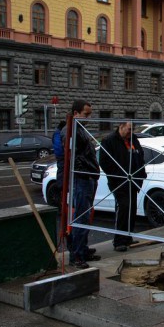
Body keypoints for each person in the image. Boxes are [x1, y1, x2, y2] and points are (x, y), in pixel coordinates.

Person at [61, 100, 101, 269]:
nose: (88, 117)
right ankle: (76, 255)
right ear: (75, 113)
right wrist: (86, 172)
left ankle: (82, 249)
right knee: (80, 217)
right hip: (82, 178)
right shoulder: (70, 131)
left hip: (88, 177)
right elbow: (72, 157)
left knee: (85, 216)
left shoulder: (80, 129)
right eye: (86, 114)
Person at [99, 121, 147, 252]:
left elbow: (140, 156)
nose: (131, 132)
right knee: (123, 208)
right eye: (129, 129)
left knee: (131, 208)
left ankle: (128, 236)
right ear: (121, 127)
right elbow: (104, 162)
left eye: (132, 130)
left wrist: (141, 174)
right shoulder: (109, 141)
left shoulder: (133, 140)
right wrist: (117, 175)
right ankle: (119, 240)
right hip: (119, 181)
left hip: (133, 180)